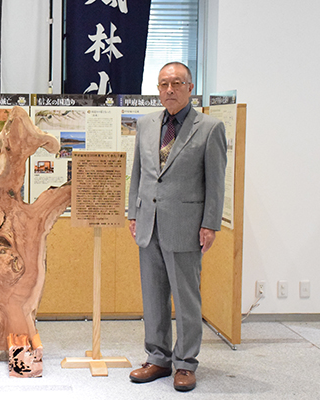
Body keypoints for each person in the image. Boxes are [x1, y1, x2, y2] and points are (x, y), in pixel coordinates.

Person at [127, 62, 227, 392]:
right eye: (163, 84)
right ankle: (157, 358)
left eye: (176, 83)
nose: (169, 89)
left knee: (186, 298)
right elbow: (139, 173)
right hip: (148, 224)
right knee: (153, 296)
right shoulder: (146, 124)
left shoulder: (210, 128)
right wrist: (133, 213)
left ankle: (185, 363)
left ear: (190, 87)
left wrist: (210, 223)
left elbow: (215, 182)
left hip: (185, 224)